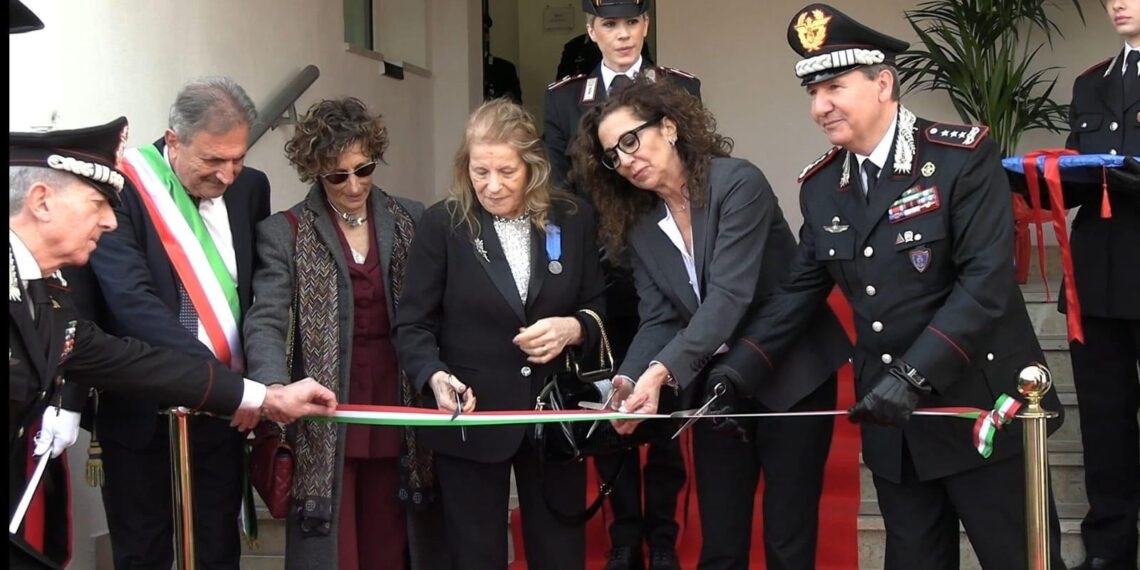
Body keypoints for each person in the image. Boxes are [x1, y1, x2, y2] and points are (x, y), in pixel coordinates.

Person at [665, 5, 1067, 569]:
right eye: (811, 90)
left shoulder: (960, 157)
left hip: (982, 414)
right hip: (896, 433)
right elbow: (796, 294)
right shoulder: (824, 186)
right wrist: (737, 374)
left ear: (883, 83)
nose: (819, 105)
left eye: (834, 85)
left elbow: (985, 285)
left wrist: (915, 373)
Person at [8, 117, 337, 570]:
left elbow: (122, 359)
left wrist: (259, 394)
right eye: (96, 203)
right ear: (42, 202)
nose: (109, 221)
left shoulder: (42, 294)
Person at [573, 77, 851, 570]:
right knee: (720, 541)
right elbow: (658, 316)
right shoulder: (640, 224)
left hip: (791, 374)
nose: (626, 159)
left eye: (631, 140)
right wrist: (629, 378)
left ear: (671, 128)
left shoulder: (737, 182)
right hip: (717, 390)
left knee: (788, 538)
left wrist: (660, 373)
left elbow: (729, 297)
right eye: (613, 155)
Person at [393, 98, 606, 570]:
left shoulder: (573, 218)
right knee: (476, 555)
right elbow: (413, 324)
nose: (491, 186)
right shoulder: (443, 224)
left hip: (553, 416)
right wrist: (434, 376)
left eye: (506, 172)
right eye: (479, 171)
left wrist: (574, 328)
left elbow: (599, 305)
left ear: (533, 166)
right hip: (471, 417)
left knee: (559, 554)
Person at [71, 77, 271, 570]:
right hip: (143, 409)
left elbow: (258, 296)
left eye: (237, 158)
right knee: (145, 550)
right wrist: (223, 384)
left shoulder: (251, 189)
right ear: (174, 140)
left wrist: (249, 387)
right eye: (212, 160)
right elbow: (132, 303)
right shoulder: (120, 187)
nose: (228, 174)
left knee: (216, 548)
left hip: (224, 417)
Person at [244, 97, 446, 570]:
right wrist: (273, 386)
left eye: (364, 169)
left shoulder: (411, 218)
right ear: (315, 169)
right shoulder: (285, 231)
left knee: (392, 538)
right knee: (336, 546)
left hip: (400, 401)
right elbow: (268, 316)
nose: (354, 184)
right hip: (326, 409)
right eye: (338, 175)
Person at [543, 3, 700, 567]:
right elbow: (561, 196)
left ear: (646, 26)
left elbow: (692, 174)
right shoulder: (564, 99)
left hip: (666, 270)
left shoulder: (679, 88)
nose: (623, 34)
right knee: (610, 398)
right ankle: (623, 538)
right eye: (610, 24)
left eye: (632, 22)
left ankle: (661, 540)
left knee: (665, 404)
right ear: (591, 30)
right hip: (604, 277)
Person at [1061, 1, 1140, 567]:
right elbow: (1080, 176)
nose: (1117, 1)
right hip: (1098, 278)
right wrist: (1043, 178)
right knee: (1104, 423)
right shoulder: (1092, 82)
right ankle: (1108, 549)